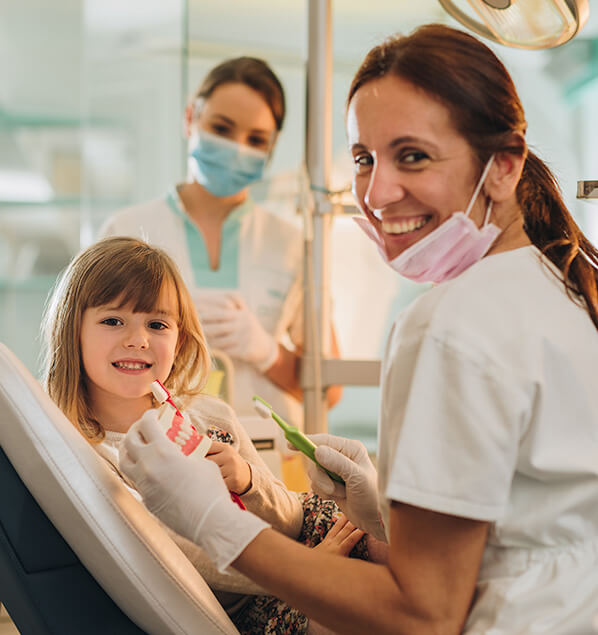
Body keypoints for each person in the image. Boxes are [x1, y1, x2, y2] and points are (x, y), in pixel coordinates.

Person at [119, 23, 598, 634]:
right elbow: (527, 539)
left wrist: (215, 520)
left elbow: (424, 616)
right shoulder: (566, 282)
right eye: (364, 159)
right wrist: (380, 529)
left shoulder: (451, 324)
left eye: (413, 156)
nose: (376, 192)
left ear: (503, 167)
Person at [41, 236, 383, 633]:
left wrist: (248, 481)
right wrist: (309, 573)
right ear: (72, 331)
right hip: (244, 601)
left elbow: (290, 521)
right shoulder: (87, 455)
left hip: (295, 557)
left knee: (387, 547)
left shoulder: (210, 416)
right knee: (346, 615)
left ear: (179, 339)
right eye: (113, 320)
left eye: (157, 324)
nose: (138, 339)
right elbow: (176, 563)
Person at [98, 56, 341, 427]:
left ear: (271, 150)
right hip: (157, 448)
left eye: (256, 139)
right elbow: (87, 363)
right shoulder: (127, 231)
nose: (237, 147)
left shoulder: (292, 246)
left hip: (267, 458)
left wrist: (267, 353)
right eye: (222, 128)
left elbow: (330, 390)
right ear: (190, 118)